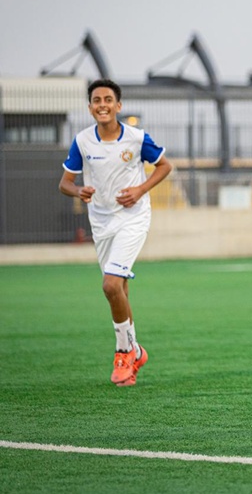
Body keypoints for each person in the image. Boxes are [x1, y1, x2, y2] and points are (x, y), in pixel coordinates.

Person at [58, 79, 173, 387]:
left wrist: (140, 190)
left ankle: (123, 352)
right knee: (118, 289)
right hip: (101, 222)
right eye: (97, 100)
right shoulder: (83, 141)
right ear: (90, 108)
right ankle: (136, 353)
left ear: (118, 106)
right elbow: (65, 182)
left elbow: (164, 166)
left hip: (133, 218)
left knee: (110, 284)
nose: (103, 105)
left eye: (108, 100)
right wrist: (79, 190)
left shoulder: (136, 138)